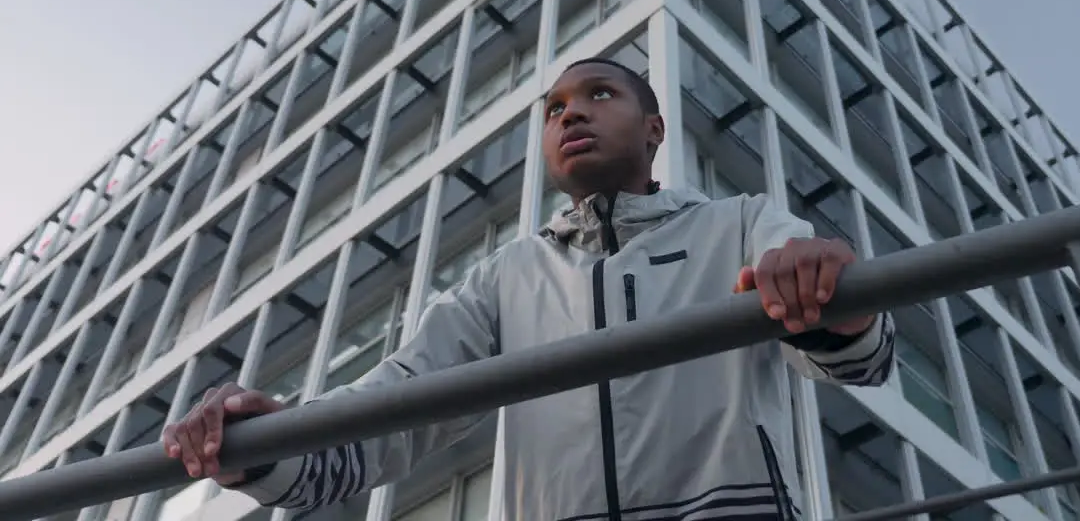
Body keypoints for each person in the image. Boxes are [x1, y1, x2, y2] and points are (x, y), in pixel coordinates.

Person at [162, 57, 896, 521]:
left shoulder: (741, 224)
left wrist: (829, 291)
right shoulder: (504, 279)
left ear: (654, 129)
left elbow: (860, 358)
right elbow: (388, 416)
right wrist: (264, 443)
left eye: (598, 94)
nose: (570, 112)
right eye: (553, 109)